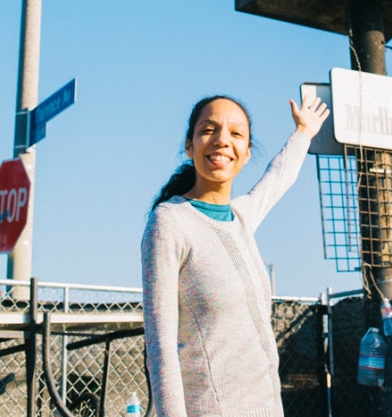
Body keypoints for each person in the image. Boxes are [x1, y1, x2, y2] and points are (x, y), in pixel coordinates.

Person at [141, 92, 329, 417]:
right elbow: (160, 347)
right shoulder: (170, 222)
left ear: (246, 154)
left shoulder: (241, 218)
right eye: (209, 129)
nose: (222, 140)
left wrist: (303, 133)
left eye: (236, 133)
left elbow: (278, 178)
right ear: (189, 146)